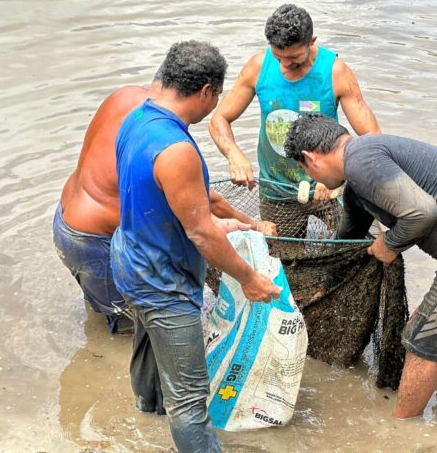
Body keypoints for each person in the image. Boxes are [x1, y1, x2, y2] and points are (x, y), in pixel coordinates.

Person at [284, 114, 437, 419]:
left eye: (303, 169)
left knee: (420, 342)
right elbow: (345, 242)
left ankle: (402, 431)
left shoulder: (360, 162)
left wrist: (389, 244)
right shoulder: (360, 174)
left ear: (311, 158)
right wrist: (317, 286)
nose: (312, 179)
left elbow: (422, 212)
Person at [111, 40, 281, 452]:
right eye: (217, 96)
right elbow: (201, 234)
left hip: (128, 259)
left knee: (149, 347)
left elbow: (159, 201)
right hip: (163, 283)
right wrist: (249, 278)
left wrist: (224, 222)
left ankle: (146, 416)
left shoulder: (134, 120)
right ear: (207, 91)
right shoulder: (178, 150)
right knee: (189, 400)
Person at [53, 66, 275, 335]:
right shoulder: (161, 132)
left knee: (105, 311)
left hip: (66, 218)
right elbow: (204, 206)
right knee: (133, 331)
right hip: (94, 240)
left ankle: (99, 340)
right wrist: (253, 224)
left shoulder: (125, 97)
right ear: (203, 93)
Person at [209, 3, 381, 237]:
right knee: (284, 258)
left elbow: (373, 139)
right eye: (278, 56)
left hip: (329, 190)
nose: (284, 65)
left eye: (293, 58)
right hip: (277, 190)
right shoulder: (258, 67)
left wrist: (338, 177)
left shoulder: (335, 72)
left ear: (311, 42)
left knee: (361, 246)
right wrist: (233, 154)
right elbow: (219, 118)